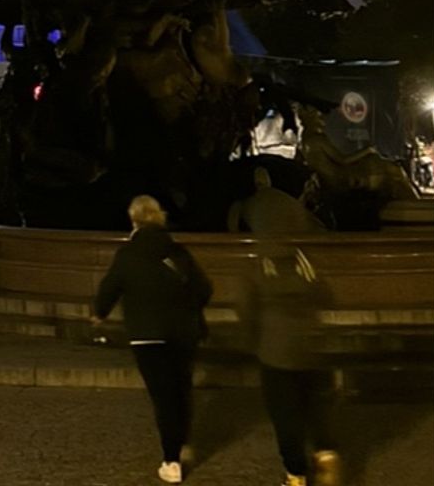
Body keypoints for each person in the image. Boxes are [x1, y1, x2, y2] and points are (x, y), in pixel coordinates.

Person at [92, 195, 212, 485]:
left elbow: (109, 288)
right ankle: (181, 442)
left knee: (163, 397)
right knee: (181, 389)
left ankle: (171, 460)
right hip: (184, 332)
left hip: (147, 335)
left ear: (133, 220)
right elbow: (204, 289)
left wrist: (99, 314)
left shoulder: (128, 254)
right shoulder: (178, 252)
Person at [236, 243, 340, 486]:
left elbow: (246, 308)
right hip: (310, 346)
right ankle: (325, 452)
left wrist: (252, 342)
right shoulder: (304, 261)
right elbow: (327, 296)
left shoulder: (258, 266)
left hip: (275, 352)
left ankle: (296, 474)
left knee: (285, 415)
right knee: (316, 406)